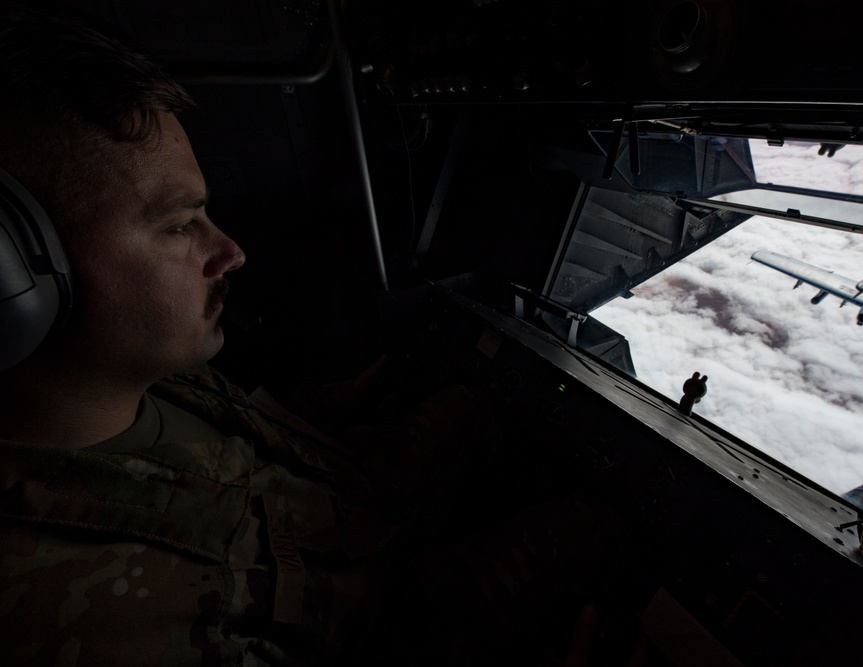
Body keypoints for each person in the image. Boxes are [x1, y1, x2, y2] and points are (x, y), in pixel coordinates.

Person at [0, 8, 641, 665]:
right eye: (179, 226)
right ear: (14, 273)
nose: (231, 251)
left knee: (477, 409)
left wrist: (353, 393)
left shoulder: (128, 366)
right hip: (390, 619)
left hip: (344, 501)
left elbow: (243, 437)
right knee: (601, 532)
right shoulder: (94, 627)